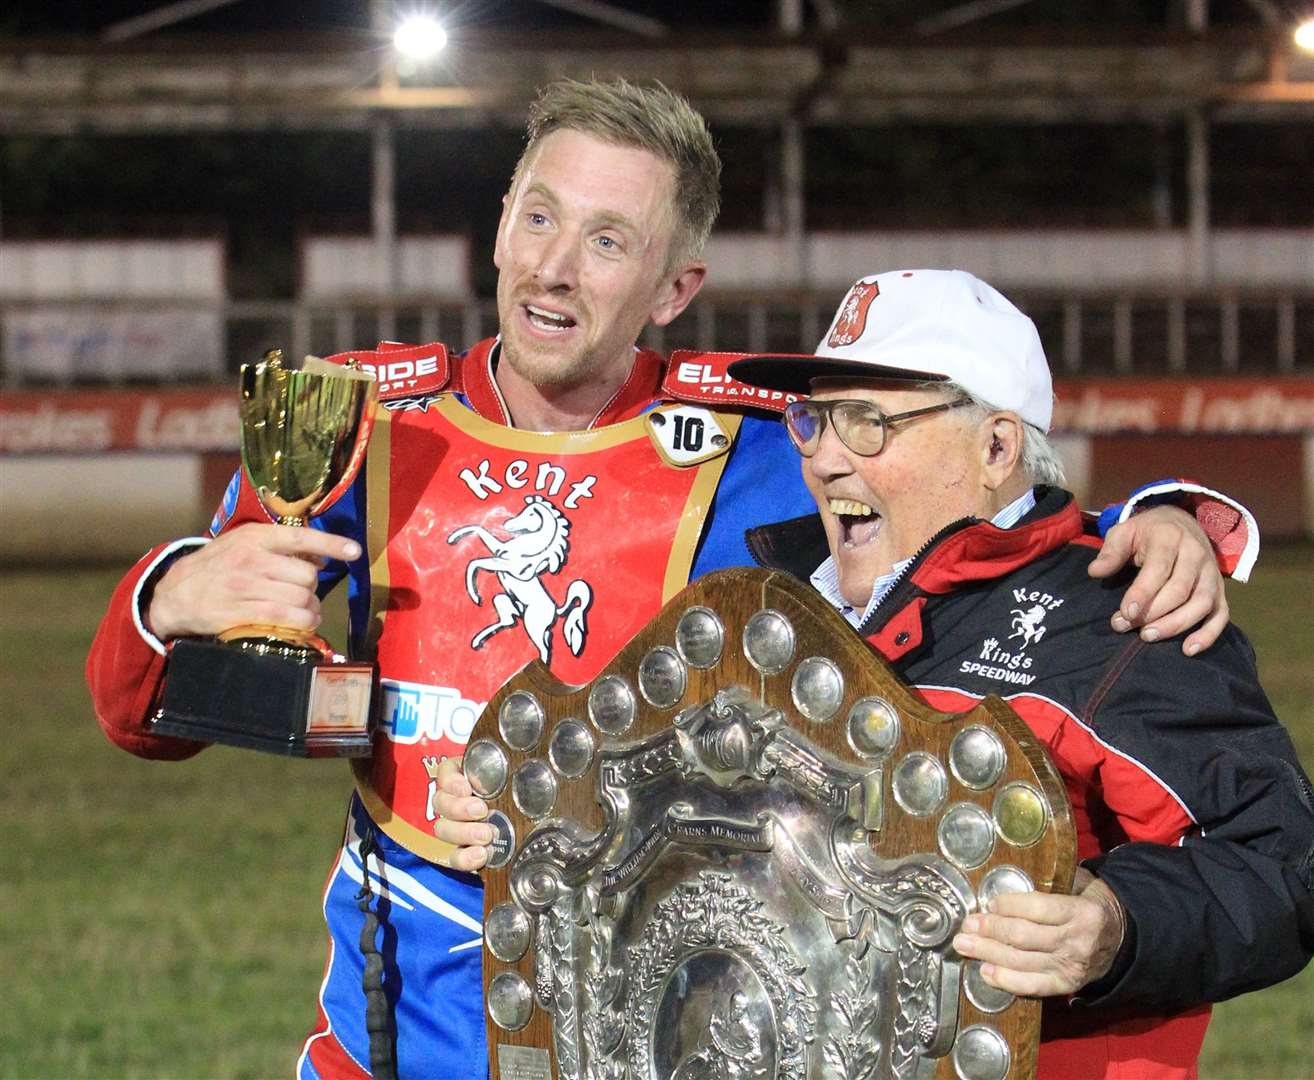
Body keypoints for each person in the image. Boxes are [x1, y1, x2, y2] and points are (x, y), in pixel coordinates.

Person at [86, 81, 1250, 1079]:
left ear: (672, 287)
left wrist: (1165, 519)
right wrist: (174, 595)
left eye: (607, 240)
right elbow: (141, 717)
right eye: (537, 216)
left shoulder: (754, 445)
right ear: (498, 224)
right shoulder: (362, 421)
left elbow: (979, 509)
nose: (552, 265)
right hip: (389, 1032)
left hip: (640, 1019)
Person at [716, 268, 1313, 1078]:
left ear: (996, 447)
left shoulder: (1126, 615)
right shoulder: (769, 612)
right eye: (813, 419)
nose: (821, 458)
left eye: (865, 423)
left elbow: (1280, 862)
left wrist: (1118, 923)